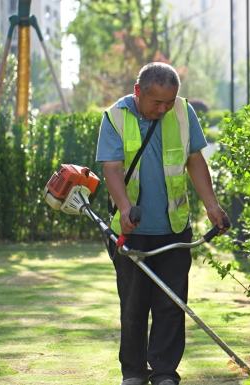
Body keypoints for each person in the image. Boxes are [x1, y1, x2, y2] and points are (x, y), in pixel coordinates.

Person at [96, 62, 229, 385]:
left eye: (169, 101)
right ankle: (134, 373)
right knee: (133, 307)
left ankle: (165, 373)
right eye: (157, 102)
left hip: (174, 229)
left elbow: (194, 160)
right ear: (138, 91)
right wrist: (125, 208)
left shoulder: (182, 113)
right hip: (130, 232)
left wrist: (212, 206)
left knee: (171, 305)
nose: (164, 108)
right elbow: (112, 168)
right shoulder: (115, 117)